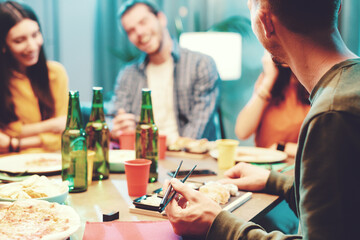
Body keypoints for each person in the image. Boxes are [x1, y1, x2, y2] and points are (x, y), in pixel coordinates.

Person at [165, 0, 360, 239]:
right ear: (337, 7)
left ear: (265, 22)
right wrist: (274, 181)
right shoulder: (349, 88)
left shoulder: (330, 115)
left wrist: (217, 224)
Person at [110, 0, 221, 144]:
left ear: (161, 18)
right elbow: (112, 118)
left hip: (190, 161)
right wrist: (116, 129)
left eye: (143, 22)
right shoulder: (128, 75)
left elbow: (197, 131)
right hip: (145, 158)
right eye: (130, 30)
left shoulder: (201, 65)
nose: (139, 32)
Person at [0, 1, 69, 154]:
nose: (32, 46)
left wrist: (14, 142)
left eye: (35, 34)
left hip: (51, 163)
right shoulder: (5, 81)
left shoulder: (56, 73)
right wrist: (51, 126)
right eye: (19, 40)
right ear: (3, 45)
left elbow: (66, 133)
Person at [235, 51, 310, 157]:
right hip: (263, 164)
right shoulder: (270, 82)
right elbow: (242, 132)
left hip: (294, 166)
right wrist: (269, 78)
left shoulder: (313, 86)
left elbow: (319, 150)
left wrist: (282, 147)